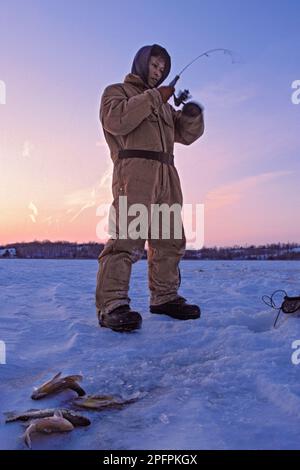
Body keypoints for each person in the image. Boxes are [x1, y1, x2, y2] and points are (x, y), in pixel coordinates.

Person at [96, 44, 204, 332]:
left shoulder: (165, 108)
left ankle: (165, 298)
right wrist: (156, 97)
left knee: (169, 239)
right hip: (135, 171)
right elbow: (117, 120)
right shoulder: (116, 92)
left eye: (161, 68)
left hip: (167, 172)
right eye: (153, 65)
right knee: (127, 238)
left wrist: (192, 114)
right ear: (141, 63)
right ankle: (112, 304)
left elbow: (186, 134)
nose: (157, 71)